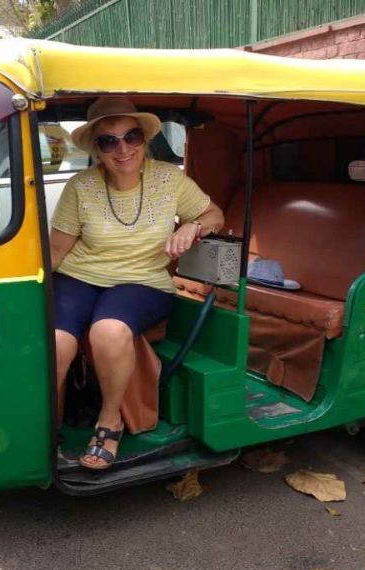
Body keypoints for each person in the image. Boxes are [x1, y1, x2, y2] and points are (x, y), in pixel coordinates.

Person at [49, 97, 224, 470]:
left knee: (109, 331)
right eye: (109, 141)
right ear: (97, 149)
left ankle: (110, 420)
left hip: (142, 280)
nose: (123, 148)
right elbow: (57, 250)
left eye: (131, 136)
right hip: (79, 276)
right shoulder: (81, 186)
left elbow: (214, 215)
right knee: (56, 341)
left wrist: (193, 226)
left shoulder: (169, 179)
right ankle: (47, 423)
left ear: (144, 139)